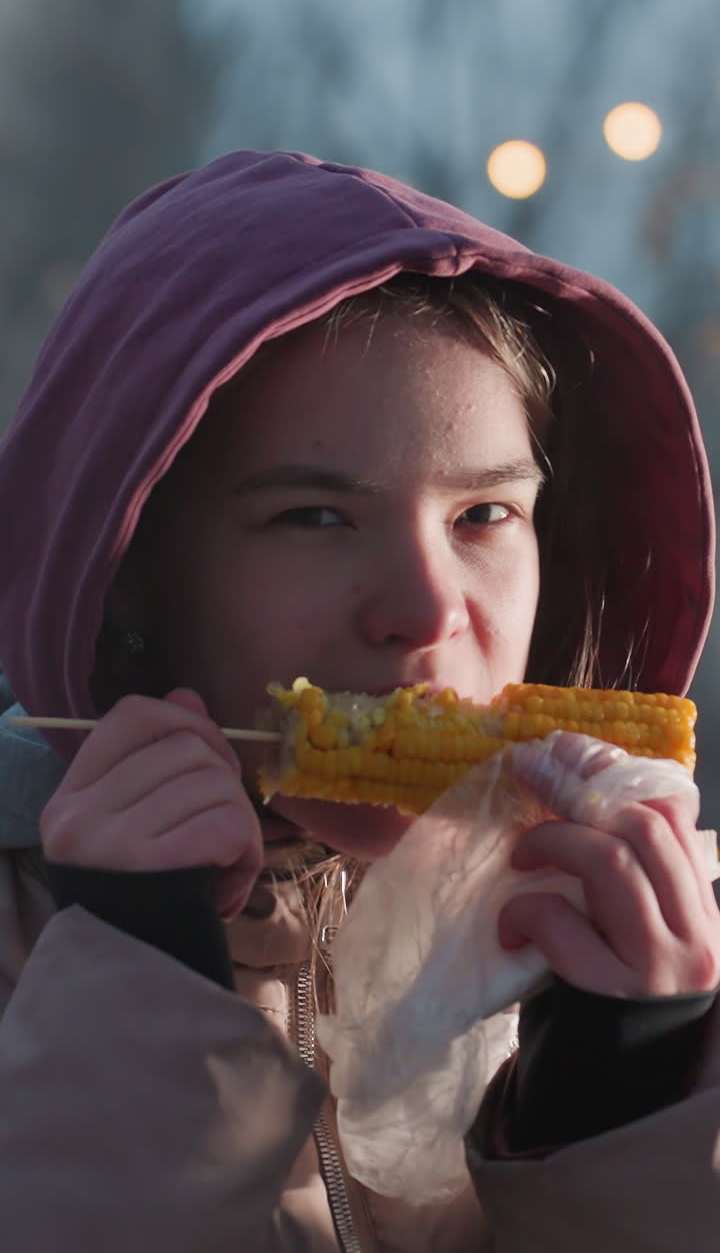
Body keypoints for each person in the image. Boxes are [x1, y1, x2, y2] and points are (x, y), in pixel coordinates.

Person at [0, 148, 718, 1252]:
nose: (429, 609)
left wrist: (619, 1095)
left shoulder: (624, 929)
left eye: (485, 514)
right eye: (315, 517)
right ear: (129, 566)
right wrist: (138, 997)